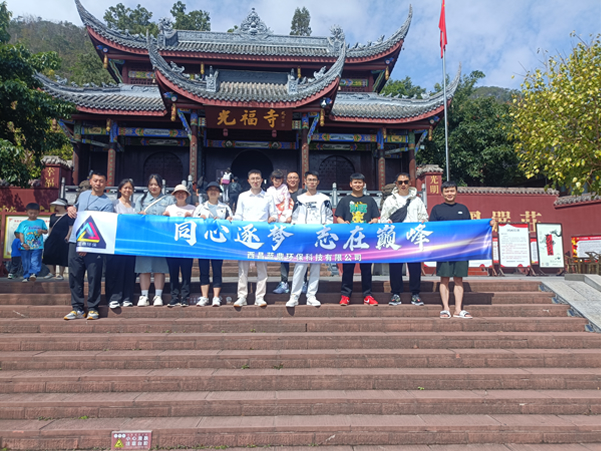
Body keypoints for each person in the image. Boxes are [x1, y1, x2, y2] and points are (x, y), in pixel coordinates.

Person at [430, 181, 493, 319]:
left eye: (452, 191)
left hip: (461, 250)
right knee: (444, 279)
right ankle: (445, 309)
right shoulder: (437, 209)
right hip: (444, 250)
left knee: (458, 279)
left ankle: (458, 309)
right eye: (447, 191)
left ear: (456, 192)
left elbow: (471, 228)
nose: (449, 193)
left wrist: (487, 224)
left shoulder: (463, 209)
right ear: (442, 193)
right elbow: (432, 229)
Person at [64, 171, 114, 321]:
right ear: (90, 181)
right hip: (75, 241)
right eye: (96, 180)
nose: (98, 184)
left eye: (101, 181)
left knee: (94, 276)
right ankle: (77, 308)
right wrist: (71, 208)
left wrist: (87, 245)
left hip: (94, 244)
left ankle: (93, 308)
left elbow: (102, 225)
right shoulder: (83, 195)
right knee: (75, 275)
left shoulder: (107, 203)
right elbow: (75, 210)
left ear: (106, 184)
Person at [380, 172, 429, 306]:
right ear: (396, 184)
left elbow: (424, 217)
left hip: (413, 237)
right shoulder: (390, 200)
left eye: (406, 182)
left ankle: (415, 293)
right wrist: (387, 222)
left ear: (409, 183)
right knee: (395, 266)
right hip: (396, 237)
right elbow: (383, 218)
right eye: (400, 182)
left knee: (414, 267)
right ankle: (396, 293)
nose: (403, 185)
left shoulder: (416, 200)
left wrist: (423, 221)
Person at [286, 171, 333, 308]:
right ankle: (294, 296)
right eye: (309, 180)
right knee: (300, 266)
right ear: (305, 182)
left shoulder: (324, 199)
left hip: (318, 237)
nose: (312, 182)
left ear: (318, 182)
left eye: (314, 180)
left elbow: (329, 217)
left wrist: (325, 228)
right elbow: (294, 218)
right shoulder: (299, 199)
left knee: (315, 267)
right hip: (303, 237)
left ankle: (311, 296)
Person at [232, 169, 277, 307]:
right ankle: (242, 296)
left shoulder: (268, 196)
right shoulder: (243, 196)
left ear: (262, 180)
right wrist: (231, 220)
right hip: (246, 235)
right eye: (253, 178)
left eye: (258, 178)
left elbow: (274, 214)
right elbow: (239, 215)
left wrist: (273, 218)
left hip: (262, 236)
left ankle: (260, 297)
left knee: (262, 268)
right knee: (243, 268)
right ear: (248, 181)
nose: (255, 181)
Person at [336, 173, 380, 306]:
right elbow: (339, 217)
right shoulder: (344, 200)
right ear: (350, 184)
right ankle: (345, 295)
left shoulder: (370, 200)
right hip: (349, 240)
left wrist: (373, 222)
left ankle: (367, 295)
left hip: (365, 240)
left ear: (364, 184)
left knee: (366, 269)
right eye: (355, 182)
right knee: (348, 268)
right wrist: (343, 223)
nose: (357, 185)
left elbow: (375, 217)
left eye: (360, 182)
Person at [135, 174, 174, 307]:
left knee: (159, 267)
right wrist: (140, 215)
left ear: (161, 186)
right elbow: (136, 218)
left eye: (156, 184)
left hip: (161, 238)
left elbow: (173, 217)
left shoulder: (168, 200)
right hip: (145, 238)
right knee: (144, 268)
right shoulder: (141, 200)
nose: (153, 187)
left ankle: (158, 295)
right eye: (151, 184)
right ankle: (144, 295)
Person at [194, 181, 233, 307]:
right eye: (210, 189)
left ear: (219, 193)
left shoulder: (225, 208)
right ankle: (204, 297)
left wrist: (225, 221)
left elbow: (231, 222)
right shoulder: (200, 207)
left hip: (218, 244)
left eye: (215, 190)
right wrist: (200, 219)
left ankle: (216, 297)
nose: (213, 192)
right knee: (203, 269)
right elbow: (193, 222)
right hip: (203, 243)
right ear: (207, 192)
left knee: (217, 270)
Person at [273, 170, 306, 295]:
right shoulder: (281, 193)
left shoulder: (303, 193)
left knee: (301, 256)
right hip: (284, 228)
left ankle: (303, 282)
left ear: (299, 180)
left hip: (299, 228)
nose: (293, 180)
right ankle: (284, 282)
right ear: (286, 180)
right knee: (284, 256)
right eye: (290, 178)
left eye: (295, 178)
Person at [106, 178, 137, 309]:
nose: (127, 190)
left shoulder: (135, 206)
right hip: (116, 242)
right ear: (120, 189)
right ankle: (114, 297)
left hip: (131, 243)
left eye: (130, 188)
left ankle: (127, 297)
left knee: (130, 270)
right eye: (125, 188)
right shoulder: (114, 204)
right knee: (115, 270)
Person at [163, 184, 196, 307]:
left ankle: (185, 297)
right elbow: (164, 225)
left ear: (187, 195)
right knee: (173, 273)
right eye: (178, 193)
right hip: (172, 245)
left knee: (186, 272)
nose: (180, 195)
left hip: (187, 246)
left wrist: (192, 218)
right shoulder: (169, 208)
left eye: (183, 193)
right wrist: (164, 217)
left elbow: (198, 225)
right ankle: (174, 297)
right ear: (175, 195)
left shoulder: (192, 209)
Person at [42, 198, 74, 281]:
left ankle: (60, 274)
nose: (56, 206)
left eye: (57, 205)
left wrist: (68, 236)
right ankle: (52, 272)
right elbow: (51, 227)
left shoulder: (69, 216)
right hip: (53, 237)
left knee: (62, 255)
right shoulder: (53, 216)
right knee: (48, 253)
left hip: (63, 237)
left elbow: (71, 227)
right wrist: (49, 236)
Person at [15, 203, 48, 283]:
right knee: (26, 261)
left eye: (35, 213)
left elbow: (46, 231)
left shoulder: (41, 222)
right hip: (26, 246)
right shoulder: (23, 223)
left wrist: (42, 231)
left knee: (35, 260)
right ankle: (26, 276)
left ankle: (34, 273)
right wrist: (23, 243)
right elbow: (21, 234)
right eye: (31, 213)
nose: (33, 215)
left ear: (38, 212)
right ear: (26, 212)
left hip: (37, 246)